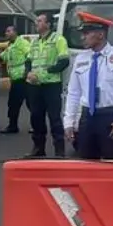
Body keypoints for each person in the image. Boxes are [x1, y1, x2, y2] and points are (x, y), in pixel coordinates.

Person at [63, 12, 113, 160]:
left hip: (111, 117)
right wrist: (68, 122)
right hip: (87, 118)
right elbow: (73, 92)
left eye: (87, 33)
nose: (82, 37)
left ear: (101, 34)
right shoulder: (80, 59)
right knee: (87, 165)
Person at [26, 13, 71, 157]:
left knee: (54, 118)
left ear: (48, 24)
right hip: (34, 85)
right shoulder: (34, 42)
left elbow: (64, 61)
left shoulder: (58, 40)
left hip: (51, 85)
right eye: (37, 21)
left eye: (39, 21)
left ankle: (59, 150)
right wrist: (27, 73)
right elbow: (28, 61)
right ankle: (38, 148)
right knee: (36, 118)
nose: (36, 23)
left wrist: (45, 72)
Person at [0, 25, 30, 135]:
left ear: (15, 32)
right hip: (15, 78)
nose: (6, 33)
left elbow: (29, 55)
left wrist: (27, 72)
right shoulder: (10, 45)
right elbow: (4, 56)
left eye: (8, 31)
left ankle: (35, 125)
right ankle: (13, 125)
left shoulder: (22, 43)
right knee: (13, 103)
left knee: (29, 103)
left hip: (22, 77)